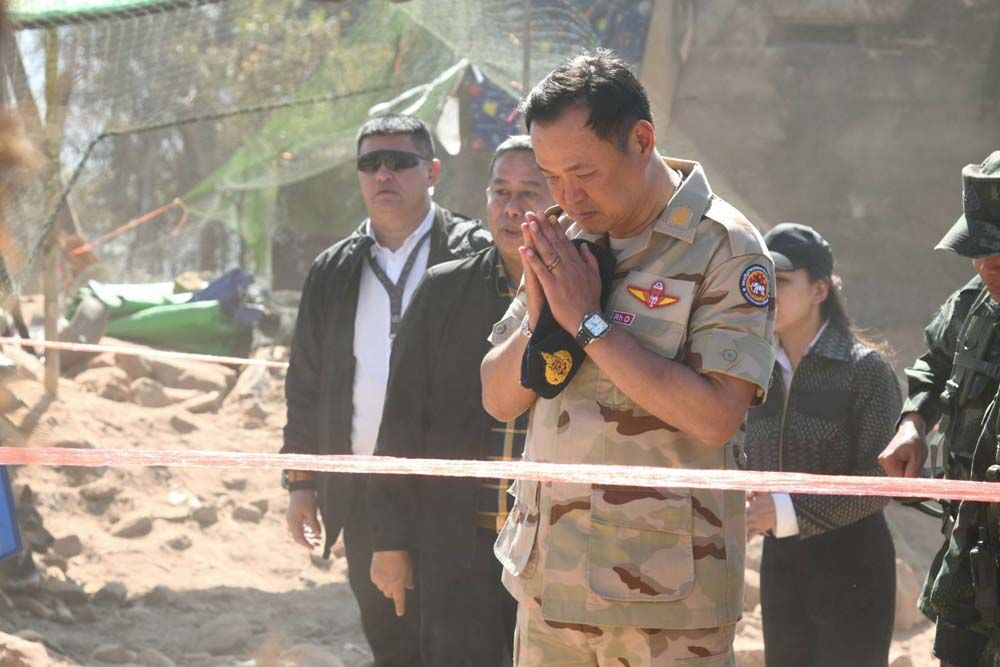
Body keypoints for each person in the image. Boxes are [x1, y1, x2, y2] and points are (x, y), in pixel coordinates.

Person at [480, 49, 776, 666]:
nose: (567, 195)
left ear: (641, 141)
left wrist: (589, 325)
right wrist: (541, 319)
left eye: (583, 172)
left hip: (663, 603)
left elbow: (717, 417)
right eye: (551, 176)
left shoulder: (725, 248)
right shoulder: (567, 234)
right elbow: (498, 397)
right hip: (549, 587)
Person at [281, 113, 489, 667]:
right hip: (363, 489)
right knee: (390, 640)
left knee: (463, 644)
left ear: (432, 172)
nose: (383, 174)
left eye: (399, 162)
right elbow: (304, 384)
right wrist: (301, 483)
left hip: (456, 491)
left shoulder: (475, 255)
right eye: (370, 163)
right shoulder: (332, 270)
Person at [367, 135, 554, 666]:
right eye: (501, 192)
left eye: (529, 192)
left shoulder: (590, 290)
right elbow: (401, 422)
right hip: (460, 544)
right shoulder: (444, 291)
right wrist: (390, 539)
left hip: (558, 549)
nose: (512, 208)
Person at [744, 223, 899, 667]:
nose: (767, 292)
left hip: (855, 566)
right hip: (781, 564)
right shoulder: (751, 370)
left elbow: (882, 480)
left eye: (782, 280)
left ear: (820, 290)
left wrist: (785, 509)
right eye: (761, 279)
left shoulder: (866, 370)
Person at [881, 150, 1000, 667]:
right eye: (979, 252)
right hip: (972, 559)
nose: (984, 266)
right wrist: (914, 422)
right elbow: (936, 361)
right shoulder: (977, 302)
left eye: (998, 252)